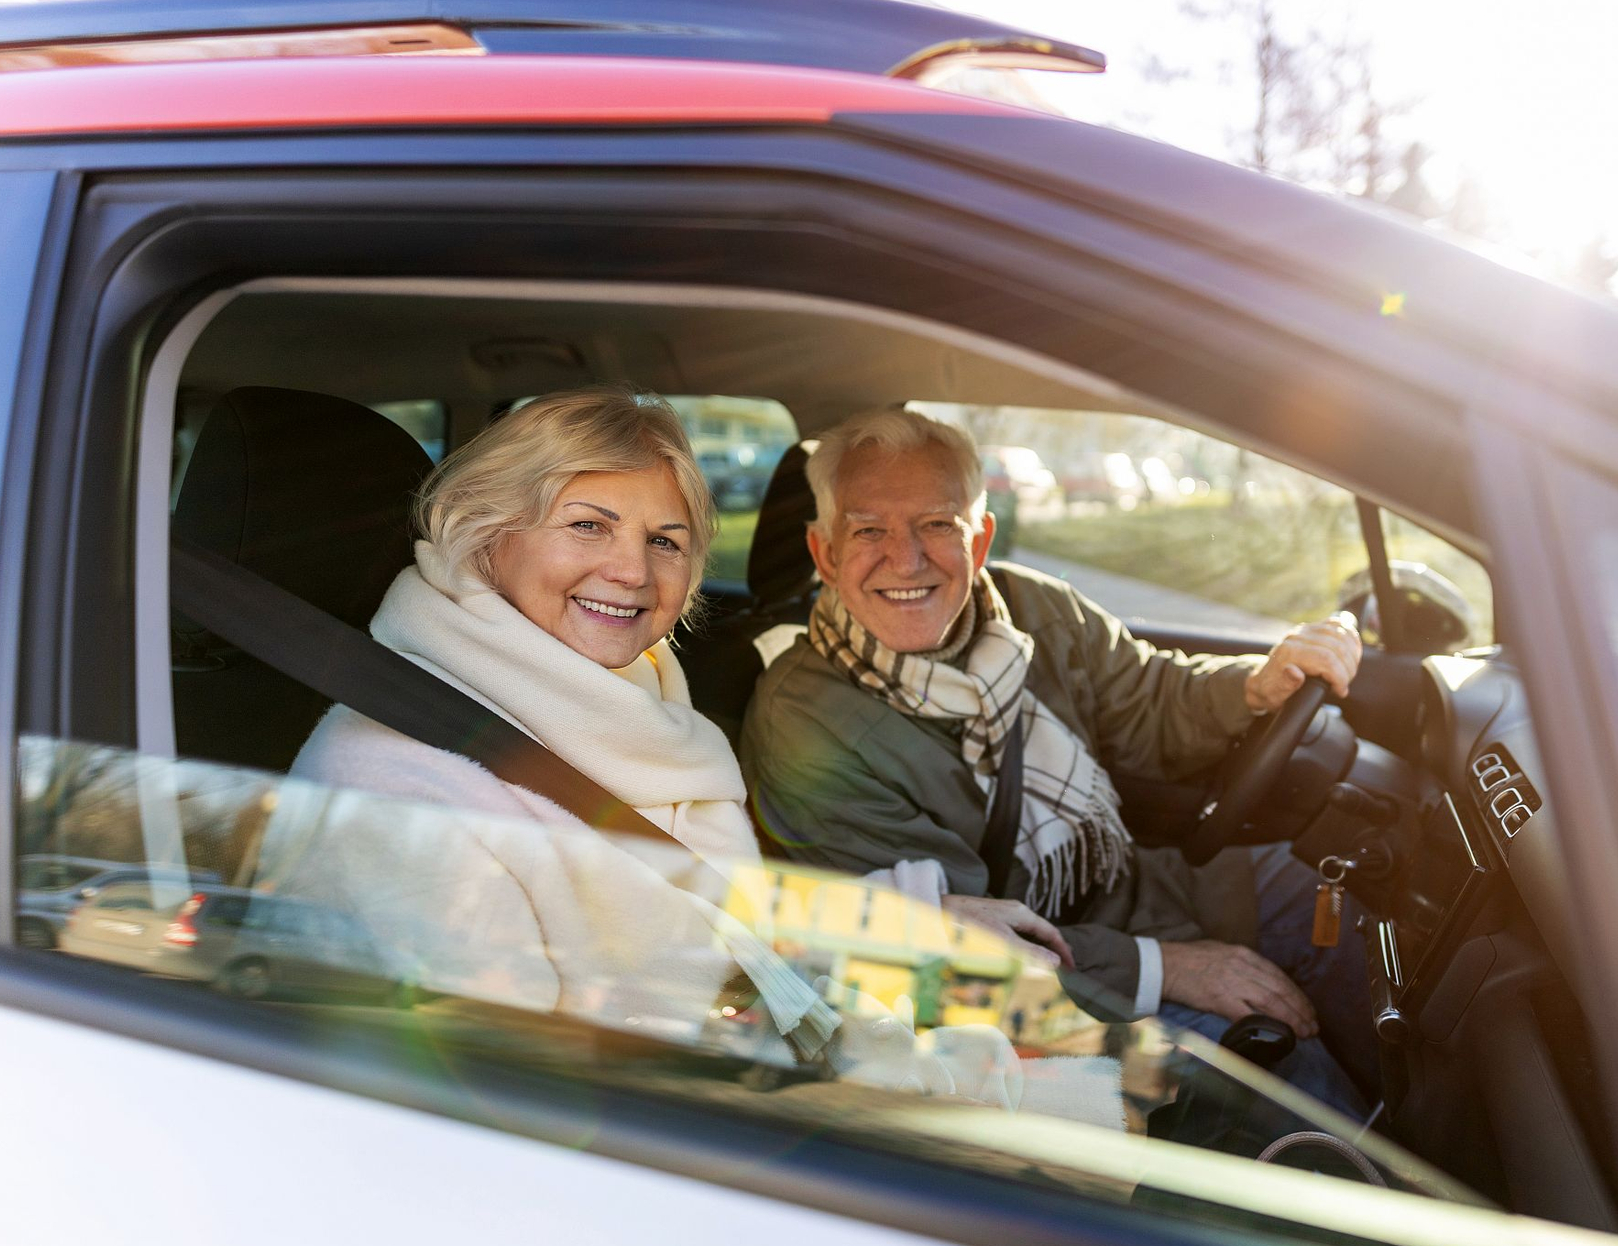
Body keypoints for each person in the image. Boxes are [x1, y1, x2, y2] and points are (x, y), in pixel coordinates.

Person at [272, 388, 1011, 1103]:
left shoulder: (632, 705)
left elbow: (708, 932)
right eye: (588, 525)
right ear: (486, 534)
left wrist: (910, 914)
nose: (631, 571)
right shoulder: (394, 799)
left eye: (665, 541)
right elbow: (498, 1111)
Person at [739, 406, 1378, 1114]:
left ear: (979, 539)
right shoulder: (803, 724)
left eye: (936, 525)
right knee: (1284, 1078)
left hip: (1145, 894)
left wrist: (1258, 685)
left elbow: (1153, 701)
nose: (907, 558)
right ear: (824, 553)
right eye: (869, 531)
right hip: (1031, 1003)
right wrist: (1168, 968)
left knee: (1355, 919)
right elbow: (959, 957)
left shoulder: (1030, 605)